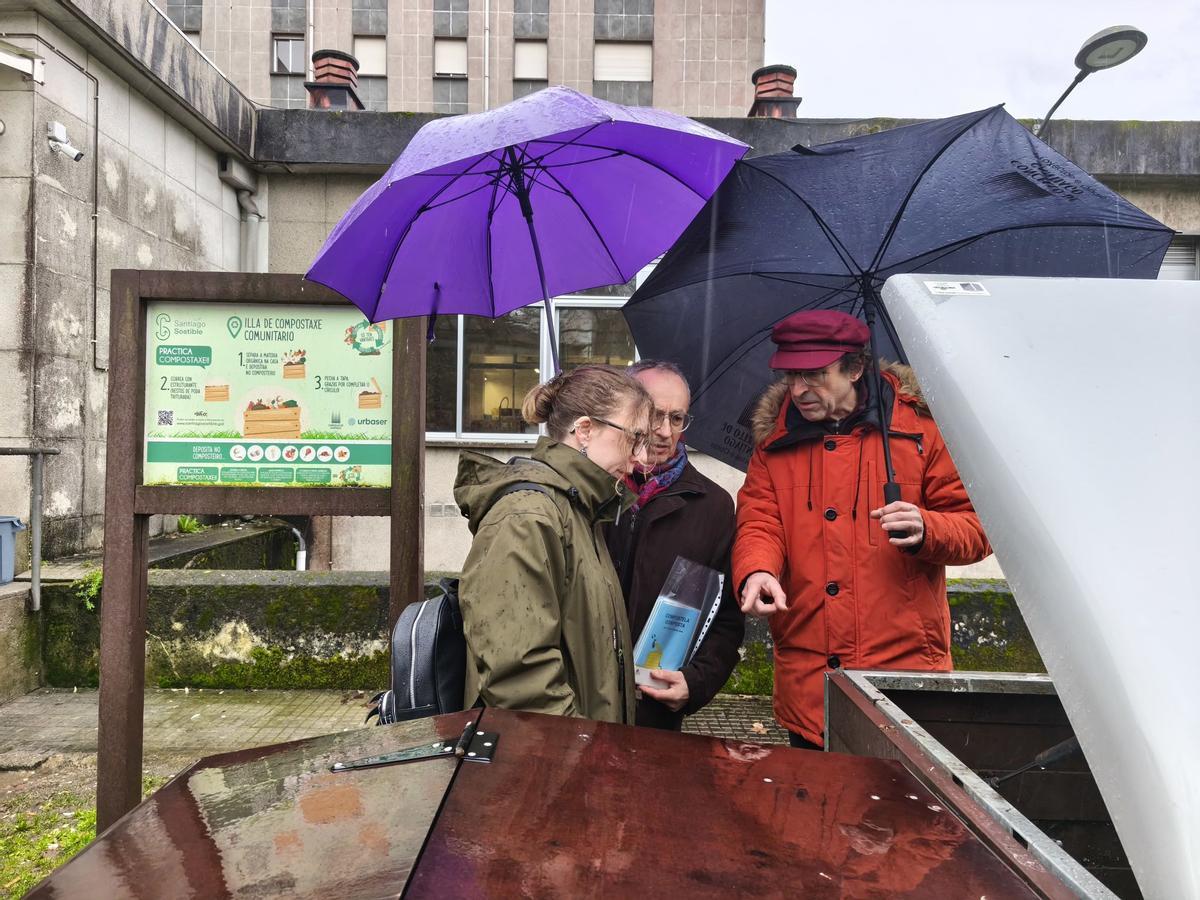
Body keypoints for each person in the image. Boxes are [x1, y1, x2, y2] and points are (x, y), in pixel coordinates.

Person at [734, 310, 990, 749]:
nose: (799, 390)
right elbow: (761, 519)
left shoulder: (921, 432)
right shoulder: (774, 444)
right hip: (810, 675)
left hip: (903, 673)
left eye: (814, 374)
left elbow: (977, 529)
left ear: (854, 369)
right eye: (791, 375)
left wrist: (928, 527)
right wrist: (758, 570)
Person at [454, 364, 653, 723]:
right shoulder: (528, 516)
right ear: (585, 430)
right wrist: (581, 754)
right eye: (634, 438)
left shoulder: (581, 511)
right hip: (553, 761)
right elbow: (519, 675)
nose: (642, 458)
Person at [604, 360, 744, 731]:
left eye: (678, 418)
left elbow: (725, 618)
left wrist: (696, 682)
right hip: (581, 704)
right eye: (654, 415)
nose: (665, 431)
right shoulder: (592, 494)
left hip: (654, 712)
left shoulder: (712, 506)